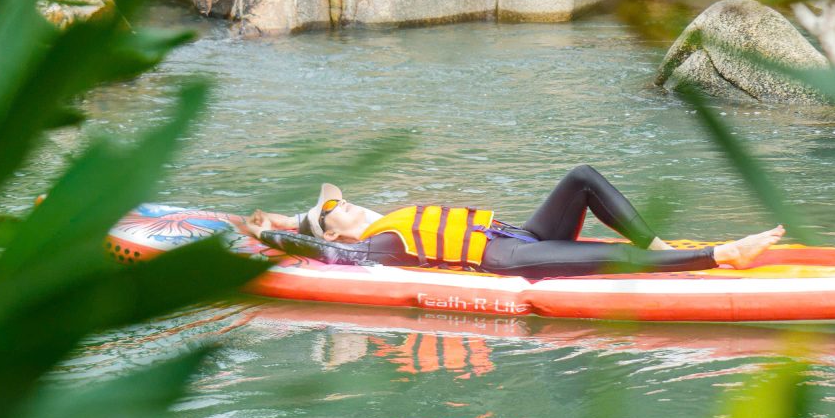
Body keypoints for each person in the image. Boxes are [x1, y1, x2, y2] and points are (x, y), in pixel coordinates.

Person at [241, 165, 785, 279]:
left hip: (522, 234)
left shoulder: (392, 220)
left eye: (339, 200)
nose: (347, 204)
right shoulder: (379, 246)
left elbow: (320, 232)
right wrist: (272, 236)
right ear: (336, 232)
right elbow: (326, 253)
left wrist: (285, 219)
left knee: (582, 177)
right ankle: (720, 255)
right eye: (334, 211)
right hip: (509, 258)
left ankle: (660, 244)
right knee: (614, 260)